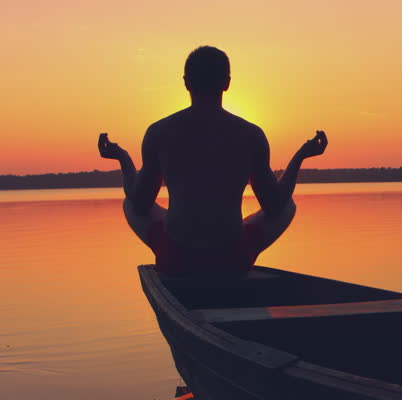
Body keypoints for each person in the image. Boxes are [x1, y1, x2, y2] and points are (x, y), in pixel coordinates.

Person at [97, 46, 327, 276]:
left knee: (129, 204)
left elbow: (140, 203)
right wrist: (301, 156)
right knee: (287, 206)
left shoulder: (159, 132)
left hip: (176, 260)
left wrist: (122, 159)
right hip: (232, 260)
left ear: (186, 82)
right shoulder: (251, 134)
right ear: (227, 83)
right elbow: (274, 205)